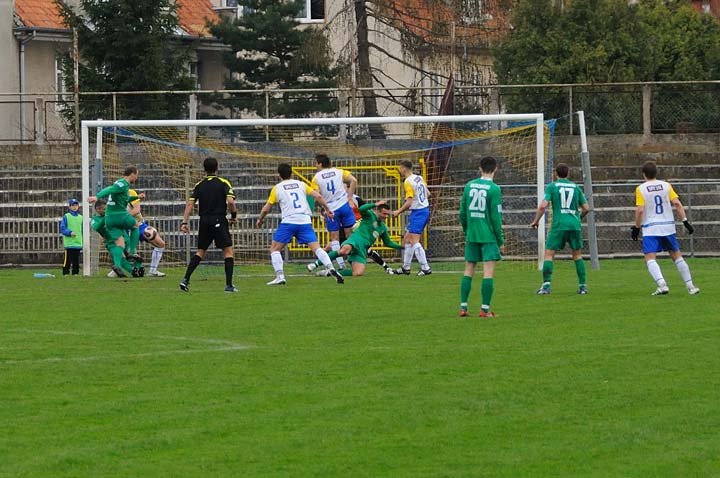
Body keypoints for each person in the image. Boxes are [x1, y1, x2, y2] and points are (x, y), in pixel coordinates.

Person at [256, 163, 344, 285]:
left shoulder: (278, 188)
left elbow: (267, 208)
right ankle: (331, 268)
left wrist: (260, 219)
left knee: (275, 249)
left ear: (279, 175)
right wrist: (328, 209)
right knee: (317, 248)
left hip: (289, 222)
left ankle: (280, 276)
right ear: (291, 173)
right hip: (305, 221)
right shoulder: (301, 184)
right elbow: (318, 196)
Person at [632, 161, 699, 296]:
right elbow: (677, 204)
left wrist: (636, 227)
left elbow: (640, 210)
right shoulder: (666, 186)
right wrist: (685, 222)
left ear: (643, 174)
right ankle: (691, 286)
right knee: (677, 256)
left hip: (651, 228)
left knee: (650, 258)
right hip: (668, 226)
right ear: (656, 173)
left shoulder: (641, 188)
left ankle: (662, 284)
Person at [179, 157, 238, 293]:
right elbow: (230, 202)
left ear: (204, 169)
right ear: (217, 168)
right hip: (218, 219)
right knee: (228, 251)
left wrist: (184, 222)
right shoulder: (223, 182)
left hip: (204, 221)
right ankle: (229, 285)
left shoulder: (199, 185)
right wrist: (234, 216)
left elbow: (190, 204)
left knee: (200, 252)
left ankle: (185, 279)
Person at [530, 163, 591, 295]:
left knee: (549, 254)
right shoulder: (575, 187)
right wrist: (578, 218)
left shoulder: (552, 186)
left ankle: (546, 286)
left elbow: (542, 206)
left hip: (559, 224)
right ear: (568, 173)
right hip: (574, 225)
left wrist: (536, 221)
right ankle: (582, 287)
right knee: (577, 255)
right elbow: (587, 208)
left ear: (555, 174)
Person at [458, 156, 504, 318]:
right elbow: (496, 218)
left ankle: (463, 307)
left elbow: (462, 213)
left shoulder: (469, 186)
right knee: (488, 272)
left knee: (469, 269)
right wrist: (501, 240)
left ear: (480, 168)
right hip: (488, 236)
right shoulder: (494, 189)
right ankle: (484, 310)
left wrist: (467, 230)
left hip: (472, 234)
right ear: (495, 169)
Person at [309, 201, 403, 277]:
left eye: (387, 214)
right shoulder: (370, 215)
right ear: (378, 211)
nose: (386, 216)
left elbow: (388, 242)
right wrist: (375, 204)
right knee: (343, 251)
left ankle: (328, 273)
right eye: (384, 214)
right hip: (355, 240)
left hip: (363, 249)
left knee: (357, 273)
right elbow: (361, 209)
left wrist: (402, 247)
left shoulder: (382, 228)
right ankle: (316, 264)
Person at [88, 166, 144, 277]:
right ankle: (132, 251)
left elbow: (124, 199)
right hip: (119, 215)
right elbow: (110, 189)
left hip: (109, 220)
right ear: (132, 174)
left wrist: (137, 196)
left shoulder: (121, 185)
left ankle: (117, 265)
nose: (136, 178)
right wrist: (97, 196)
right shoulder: (122, 183)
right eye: (136, 175)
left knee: (120, 243)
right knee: (136, 225)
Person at [311, 154, 358, 270]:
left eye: (316, 163)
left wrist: (324, 207)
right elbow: (354, 180)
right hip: (344, 205)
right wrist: (350, 197)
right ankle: (354, 261)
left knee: (334, 237)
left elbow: (317, 196)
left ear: (320, 164)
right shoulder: (338, 171)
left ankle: (341, 264)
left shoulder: (316, 178)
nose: (315, 165)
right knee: (350, 235)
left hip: (331, 208)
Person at [392, 159, 432, 276]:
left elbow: (409, 202)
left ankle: (426, 268)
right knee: (407, 239)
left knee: (414, 241)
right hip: (424, 210)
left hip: (418, 212)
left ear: (404, 168)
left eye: (400, 168)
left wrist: (398, 211)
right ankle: (406, 268)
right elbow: (428, 193)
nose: (399, 170)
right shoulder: (419, 178)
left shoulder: (408, 181)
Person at [91, 199, 135, 278]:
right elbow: (97, 227)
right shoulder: (94, 219)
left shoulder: (112, 215)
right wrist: (106, 218)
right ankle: (133, 272)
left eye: (107, 209)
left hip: (124, 238)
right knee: (121, 258)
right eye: (104, 209)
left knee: (129, 254)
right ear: (97, 210)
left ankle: (133, 267)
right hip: (111, 241)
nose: (106, 211)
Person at [128, 188, 166, 277]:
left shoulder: (131, 192)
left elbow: (136, 210)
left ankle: (153, 270)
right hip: (126, 227)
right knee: (125, 250)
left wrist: (122, 216)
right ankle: (116, 269)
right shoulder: (115, 196)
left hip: (140, 225)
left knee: (160, 244)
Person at [60, 198, 83, 276]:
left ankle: (75, 273)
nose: (74, 207)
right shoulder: (66, 216)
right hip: (69, 243)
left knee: (76, 259)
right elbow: (62, 228)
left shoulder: (81, 217)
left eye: (76, 205)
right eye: (73, 205)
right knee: (68, 259)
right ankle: (65, 273)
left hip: (78, 242)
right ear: (69, 207)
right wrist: (69, 232)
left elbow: (82, 229)